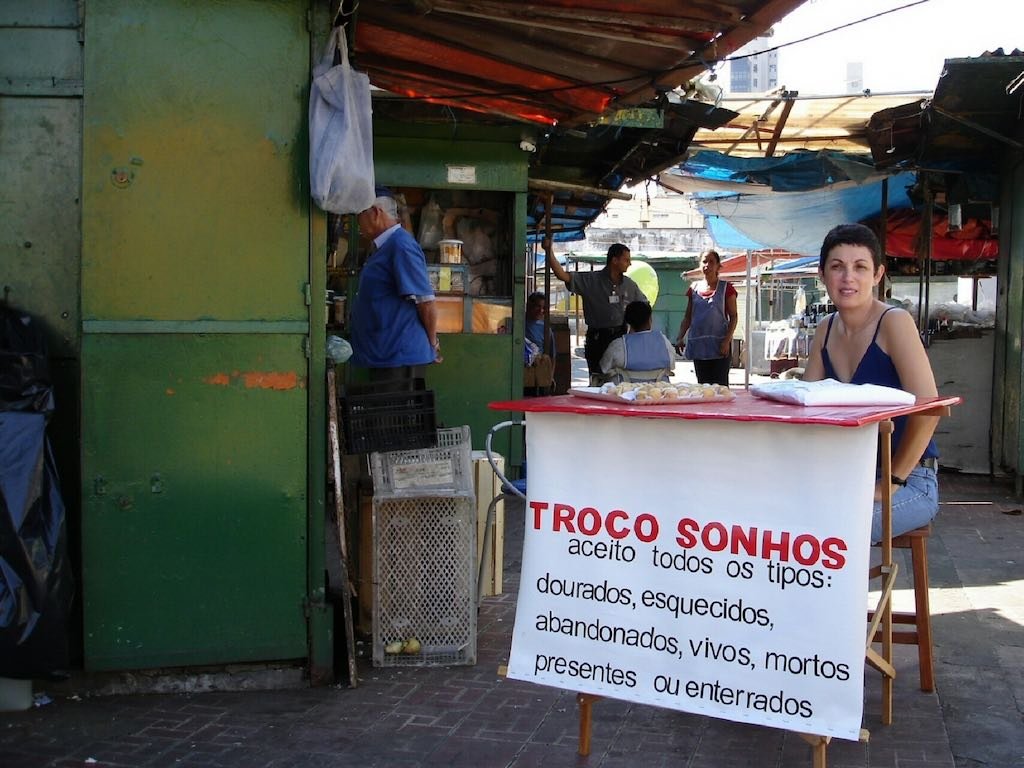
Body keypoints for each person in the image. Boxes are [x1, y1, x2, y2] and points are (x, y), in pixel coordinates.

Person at [803, 223, 940, 543]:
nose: (848, 277)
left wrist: (891, 481)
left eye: (860, 267)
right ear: (822, 274)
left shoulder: (894, 322)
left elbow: (929, 409)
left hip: (911, 479)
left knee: (832, 535)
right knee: (776, 523)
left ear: (878, 274)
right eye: (837, 267)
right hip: (849, 475)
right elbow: (806, 407)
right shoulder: (825, 328)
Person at [350, 189, 442, 387]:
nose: (358, 223)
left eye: (359, 215)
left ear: (375, 213)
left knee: (393, 416)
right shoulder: (385, 247)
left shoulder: (401, 245)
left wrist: (432, 343)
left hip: (398, 357)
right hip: (386, 354)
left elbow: (426, 302)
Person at [544, 238, 647, 385]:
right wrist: (549, 252)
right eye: (626, 260)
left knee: (621, 380)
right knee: (597, 380)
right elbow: (562, 275)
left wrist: (639, 335)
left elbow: (644, 308)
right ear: (614, 260)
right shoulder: (591, 280)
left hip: (621, 338)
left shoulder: (630, 285)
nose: (629, 264)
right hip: (597, 339)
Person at [674, 249, 738, 385]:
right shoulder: (694, 289)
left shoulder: (726, 288)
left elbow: (733, 317)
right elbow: (687, 317)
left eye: (711, 262)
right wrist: (680, 337)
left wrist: (727, 341)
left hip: (719, 347)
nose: (707, 265)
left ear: (718, 266)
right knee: (703, 387)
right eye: (704, 262)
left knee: (720, 387)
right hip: (699, 347)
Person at [600, 301, 675, 383]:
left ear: (627, 321)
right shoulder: (664, 342)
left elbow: (604, 368)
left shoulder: (618, 345)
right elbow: (672, 364)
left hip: (622, 392)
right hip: (658, 392)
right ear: (650, 320)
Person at [523, 292, 556, 396]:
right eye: (537, 306)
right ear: (528, 306)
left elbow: (552, 356)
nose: (541, 311)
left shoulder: (545, 329)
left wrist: (550, 377)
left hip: (538, 376)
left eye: (544, 308)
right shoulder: (517, 324)